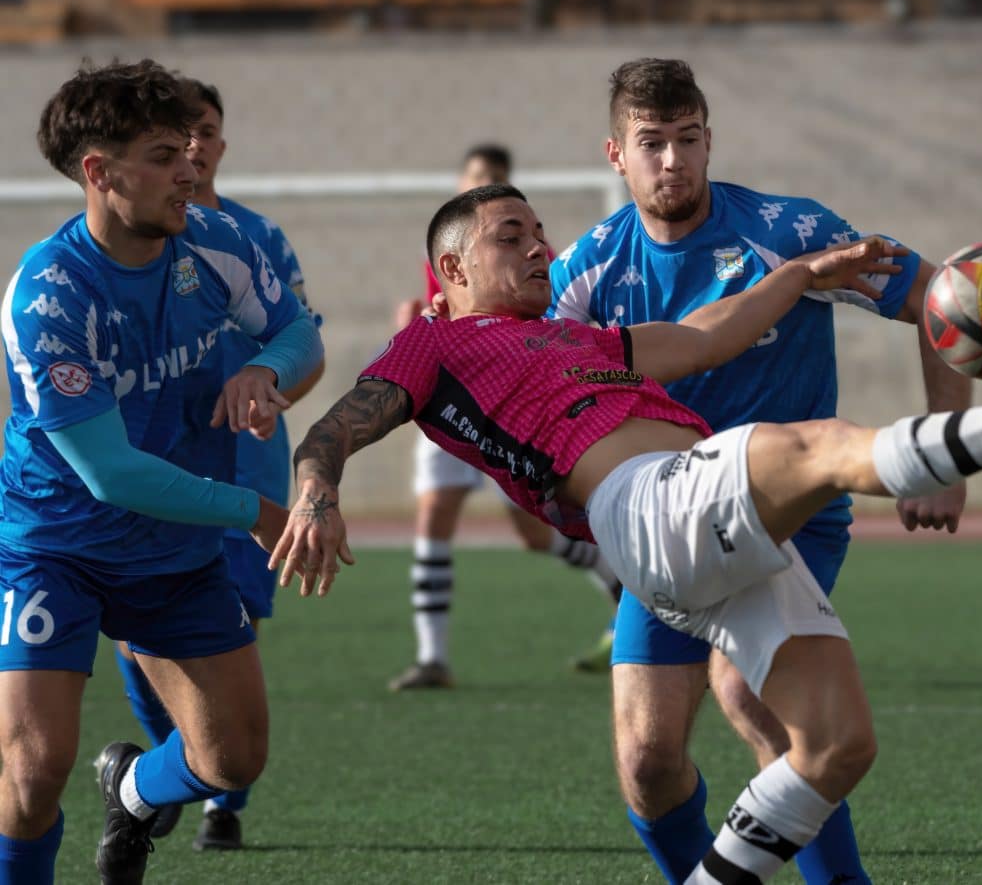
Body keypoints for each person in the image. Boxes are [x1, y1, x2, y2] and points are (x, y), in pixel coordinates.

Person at [270, 184, 982, 885]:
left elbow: (713, 331)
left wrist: (808, 272)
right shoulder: (433, 341)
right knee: (811, 444)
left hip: (696, 531)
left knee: (837, 746)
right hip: (643, 507)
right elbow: (333, 430)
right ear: (451, 268)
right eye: (510, 236)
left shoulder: (581, 337)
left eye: (539, 233)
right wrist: (315, 492)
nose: (538, 248)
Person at [547, 57, 970, 884]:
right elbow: (532, 375)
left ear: (709, 139)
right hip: (668, 526)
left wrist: (941, 451)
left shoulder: (789, 232)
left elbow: (941, 297)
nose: (673, 161)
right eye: (652, 143)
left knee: (752, 696)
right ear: (615, 155)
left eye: (688, 140)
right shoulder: (587, 271)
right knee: (646, 758)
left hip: (787, 517)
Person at [0, 59, 322, 885]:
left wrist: (269, 372)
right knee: (33, 774)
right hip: (55, 543)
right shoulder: (48, 293)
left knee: (235, 758)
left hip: (173, 544)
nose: (190, 167)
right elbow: (109, 473)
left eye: (189, 146)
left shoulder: (214, 240)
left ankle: (135, 788)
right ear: (99, 173)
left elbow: (300, 335)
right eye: (161, 153)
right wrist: (252, 509)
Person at [108, 77, 326, 852]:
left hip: (245, 471)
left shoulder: (258, 239)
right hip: (150, 474)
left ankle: (219, 801)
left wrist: (268, 382)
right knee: (136, 643)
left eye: (202, 132)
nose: (192, 149)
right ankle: (175, 761)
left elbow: (304, 345)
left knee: (231, 628)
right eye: (174, 138)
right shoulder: (116, 250)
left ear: (221, 144)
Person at [388, 143, 622, 690]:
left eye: (492, 179)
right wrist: (416, 322)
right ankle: (432, 657)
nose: (480, 185)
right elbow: (439, 317)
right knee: (433, 519)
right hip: (448, 401)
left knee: (535, 536)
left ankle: (620, 578)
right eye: (474, 178)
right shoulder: (446, 250)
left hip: (510, 405)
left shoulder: (534, 252)